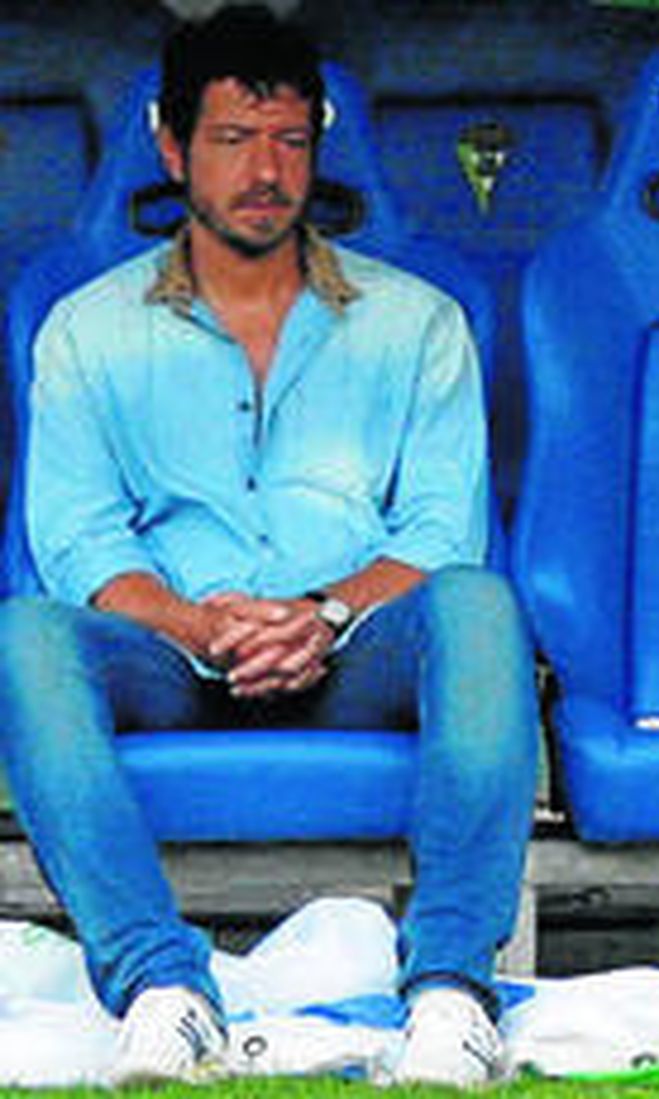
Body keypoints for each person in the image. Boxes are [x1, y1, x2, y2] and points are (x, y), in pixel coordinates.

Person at [0, 6, 538, 1087]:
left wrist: (322, 612)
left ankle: (446, 996)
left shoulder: (417, 321)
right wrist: (199, 623)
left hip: (357, 652)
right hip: (167, 652)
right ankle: (162, 989)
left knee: (480, 600)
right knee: (25, 630)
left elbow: (438, 531)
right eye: (235, 140)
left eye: (290, 142)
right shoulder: (88, 328)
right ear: (170, 145)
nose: (266, 172)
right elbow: (78, 540)